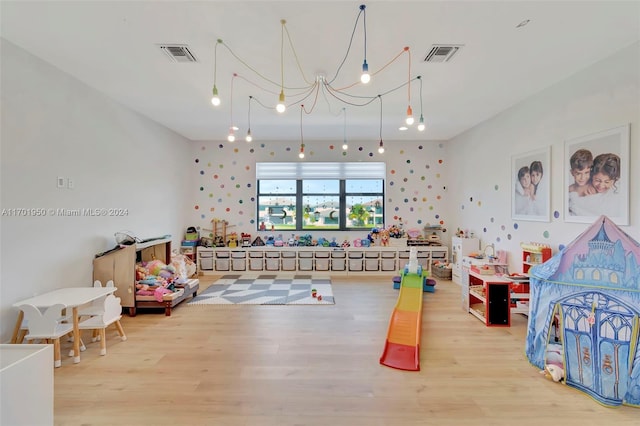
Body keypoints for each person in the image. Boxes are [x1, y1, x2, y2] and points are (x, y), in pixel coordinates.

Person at [569, 152, 621, 217]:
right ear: (591, 175)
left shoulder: (616, 193)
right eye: (597, 180)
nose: (601, 186)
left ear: (614, 180)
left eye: (607, 182)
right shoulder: (584, 188)